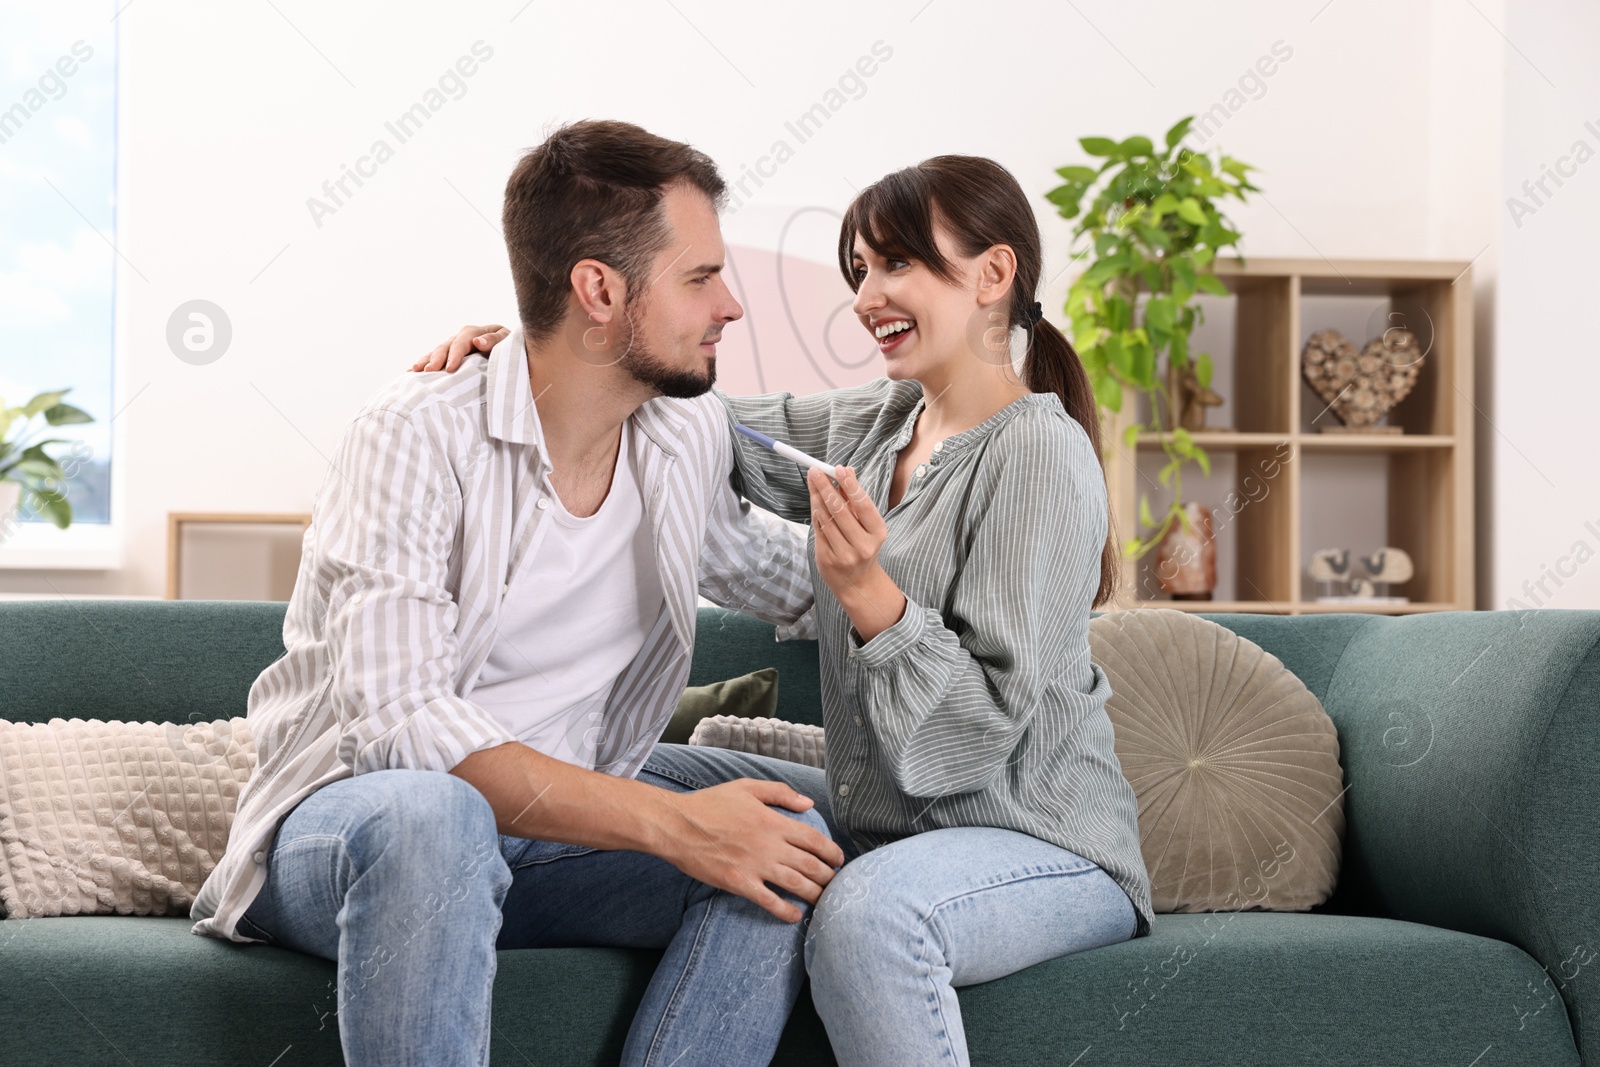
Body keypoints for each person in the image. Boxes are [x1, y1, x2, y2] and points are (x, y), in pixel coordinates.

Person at [423, 153, 1155, 1067]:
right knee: (622, 767)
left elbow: (973, 741)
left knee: (868, 916)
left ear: (993, 274)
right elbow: (704, 415)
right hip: (893, 812)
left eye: (897, 265)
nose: (866, 295)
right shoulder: (879, 423)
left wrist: (870, 600)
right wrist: (550, 352)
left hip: (1028, 830)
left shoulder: (1039, 456)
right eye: (859, 271)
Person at [192, 120, 857, 1067]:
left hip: (552, 831)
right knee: (437, 813)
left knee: (797, 834)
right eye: (701, 278)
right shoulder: (414, 435)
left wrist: (960, 599)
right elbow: (403, 728)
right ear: (598, 289)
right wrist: (676, 826)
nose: (732, 306)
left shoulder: (681, 437)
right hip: (356, 828)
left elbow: (796, 582)